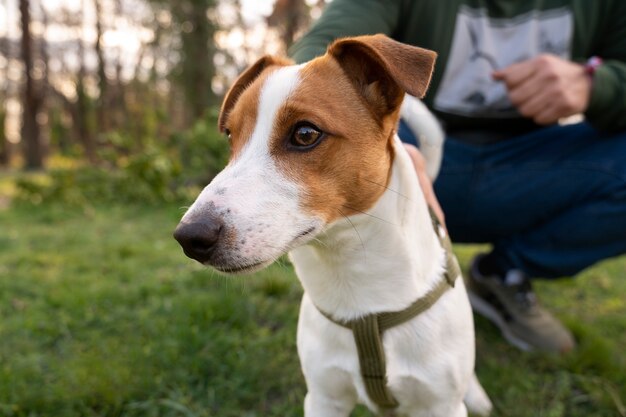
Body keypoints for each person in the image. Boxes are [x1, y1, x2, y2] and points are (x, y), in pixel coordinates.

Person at [288, 0, 626, 353]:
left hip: (534, 169)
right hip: (416, 152)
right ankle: (362, 297)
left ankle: (502, 275)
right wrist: (392, 152)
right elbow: (322, 46)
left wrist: (597, 86)